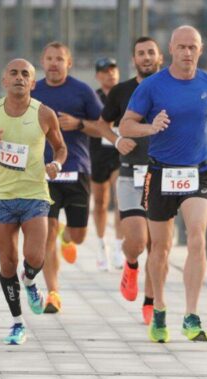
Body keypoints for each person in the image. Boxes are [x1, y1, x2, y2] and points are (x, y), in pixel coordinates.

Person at [120, 26, 207, 343]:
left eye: (192, 47)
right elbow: (127, 125)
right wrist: (150, 127)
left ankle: (192, 315)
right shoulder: (153, 86)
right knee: (161, 249)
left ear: (201, 48)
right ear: (171, 49)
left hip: (197, 171)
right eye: (181, 47)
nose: (187, 53)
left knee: (197, 237)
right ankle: (158, 310)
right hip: (160, 172)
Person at [0, 59, 68, 344]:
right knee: (8, 264)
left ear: (33, 83)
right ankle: (17, 323)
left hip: (34, 194)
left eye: (26, 75)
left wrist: (56, 163)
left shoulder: (44, 113)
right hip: (1, 196)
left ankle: (30, 281)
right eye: (14, 73)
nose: (19, 78)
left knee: (36, 256)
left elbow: (60, 147)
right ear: (4, 80)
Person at [31, 41, 103, 314]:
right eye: (49, 58)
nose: (53, 63)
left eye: (59, 59)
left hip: (77, 171)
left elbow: (102, 128)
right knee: (46, 234)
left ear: (69, 63)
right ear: (42, 61)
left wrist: (80, 124)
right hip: (44, 173)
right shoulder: (33, 91)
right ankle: (53, 293)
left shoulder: (82, 92)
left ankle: (68, 237)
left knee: (79, 235)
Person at [98, 36, 163, 324]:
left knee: (157, 246)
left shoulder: (171, 88)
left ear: (160, 56)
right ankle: (131, 264)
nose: (146, 57)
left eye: (151, 52)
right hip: (131, 175)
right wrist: (117, 140)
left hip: (164, 175)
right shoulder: (121, 91)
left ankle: (150, 302)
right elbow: (103, 124)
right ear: (134, 59)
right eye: (141, 53)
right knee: (137, 240)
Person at [89, 56, 125, 272]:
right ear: (97, 76)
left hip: (120, 152)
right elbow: (88, 123)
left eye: (113, 70)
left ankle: (119, 247)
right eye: (104, 71)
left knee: (120, 199)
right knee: (101, 202)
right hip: (97, 153)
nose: (109, 74)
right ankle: (102, 245)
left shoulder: (126, 94)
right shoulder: (93, 97)